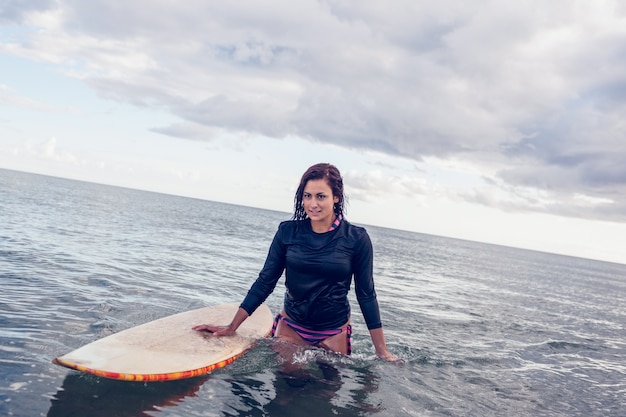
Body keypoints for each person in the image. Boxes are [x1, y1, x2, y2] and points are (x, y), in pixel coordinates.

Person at [193, 163, 397, 361]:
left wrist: (382, 351)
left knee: (325, 390)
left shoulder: (356, 239)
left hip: (334, 330)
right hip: (292, 326)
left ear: (336, 197)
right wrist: (232, 326)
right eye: (307, 196)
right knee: (289, 385)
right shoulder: (287, 232)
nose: (312, 204)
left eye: (320, 196)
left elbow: (366, 294)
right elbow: (266, 281)